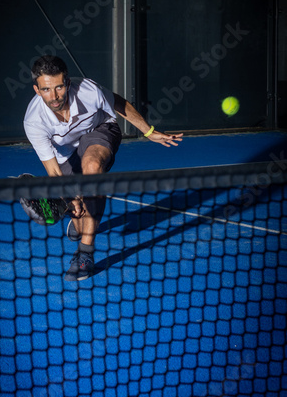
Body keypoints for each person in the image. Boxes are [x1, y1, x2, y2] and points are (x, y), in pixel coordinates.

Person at [23, 55, 183, 281]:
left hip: (99, 129)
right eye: (47, 89)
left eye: (59, 87)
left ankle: (85, 254)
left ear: (67, 83)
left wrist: (148, 131)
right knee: (80, 213)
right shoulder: (34, 120)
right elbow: (54, 171)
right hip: (65, 154)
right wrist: (70, 197)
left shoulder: (88, 90)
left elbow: (118, 102)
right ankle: (78, 223)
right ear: (37, 90)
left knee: (92, 166)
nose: (55, 96)